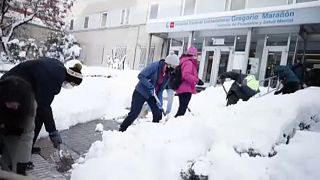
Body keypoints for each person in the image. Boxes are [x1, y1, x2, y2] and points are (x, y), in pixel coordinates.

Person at [1, 57, 83, 167]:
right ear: (71, 80)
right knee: (20, 123)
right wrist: (53, 133)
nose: (70, 87)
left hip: (20, 84)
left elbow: (42, 106)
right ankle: (16, 159)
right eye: (73, 85)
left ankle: (26, 149)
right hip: (12, 87)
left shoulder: (58, 68)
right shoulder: (53, 79)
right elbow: (44, 106)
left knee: (37, 116)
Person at [119, 53, 179, 132]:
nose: (174, 69)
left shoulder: (168, 74)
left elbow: (160, 90)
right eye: (173, 67)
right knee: (134, 113)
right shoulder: (155, 66)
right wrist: (150, 85)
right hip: (140, 92)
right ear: (168, 64)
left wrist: (160, 103)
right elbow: (141, 75)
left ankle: (153, 133)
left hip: (152, 95)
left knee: (158, 113)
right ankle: (122, 130)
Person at [0, 76, 36, 175]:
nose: (13, 106)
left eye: (16, 105)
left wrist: (21, 163)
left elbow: (26, 136)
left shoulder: (29, 106)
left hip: (21, 130)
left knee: (17, 160)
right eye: (10, 104)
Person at [175, 47, 203, 118]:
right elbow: (186, 75)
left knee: (182, 108)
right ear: (193, 55)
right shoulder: (189, 63)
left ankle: (175, 123)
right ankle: (174, 123)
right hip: (185, 88)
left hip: (183, 87)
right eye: (196, 55)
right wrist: (197, 80)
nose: (197, 57)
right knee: (182, 109)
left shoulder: (185, 61)